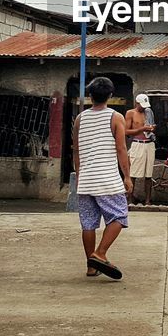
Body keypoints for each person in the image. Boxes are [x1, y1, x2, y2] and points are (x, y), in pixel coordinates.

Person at [73, 77, 132, 280]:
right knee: (119, 216)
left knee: (88, 223)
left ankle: (91, 266)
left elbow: (76, 152)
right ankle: (100, 253)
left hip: (86, 180)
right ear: (110, 95)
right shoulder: (116, 117)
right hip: (107, 178)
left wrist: (80, 176)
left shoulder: (80, 119)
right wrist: (127, 176)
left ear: (90, 96)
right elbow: (121, 148)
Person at [125, 93, 156, 206]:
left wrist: (151, 129)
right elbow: (126, 131)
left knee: (149, 174)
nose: (143, 107)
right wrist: (142, 128)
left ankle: (147, 200)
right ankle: (130, 199)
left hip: (149, 143)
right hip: (137, 143)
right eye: (141, 105)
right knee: (133, 173)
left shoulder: (148, 112)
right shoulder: (131, 113)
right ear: (136, 103)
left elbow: (153, 126)